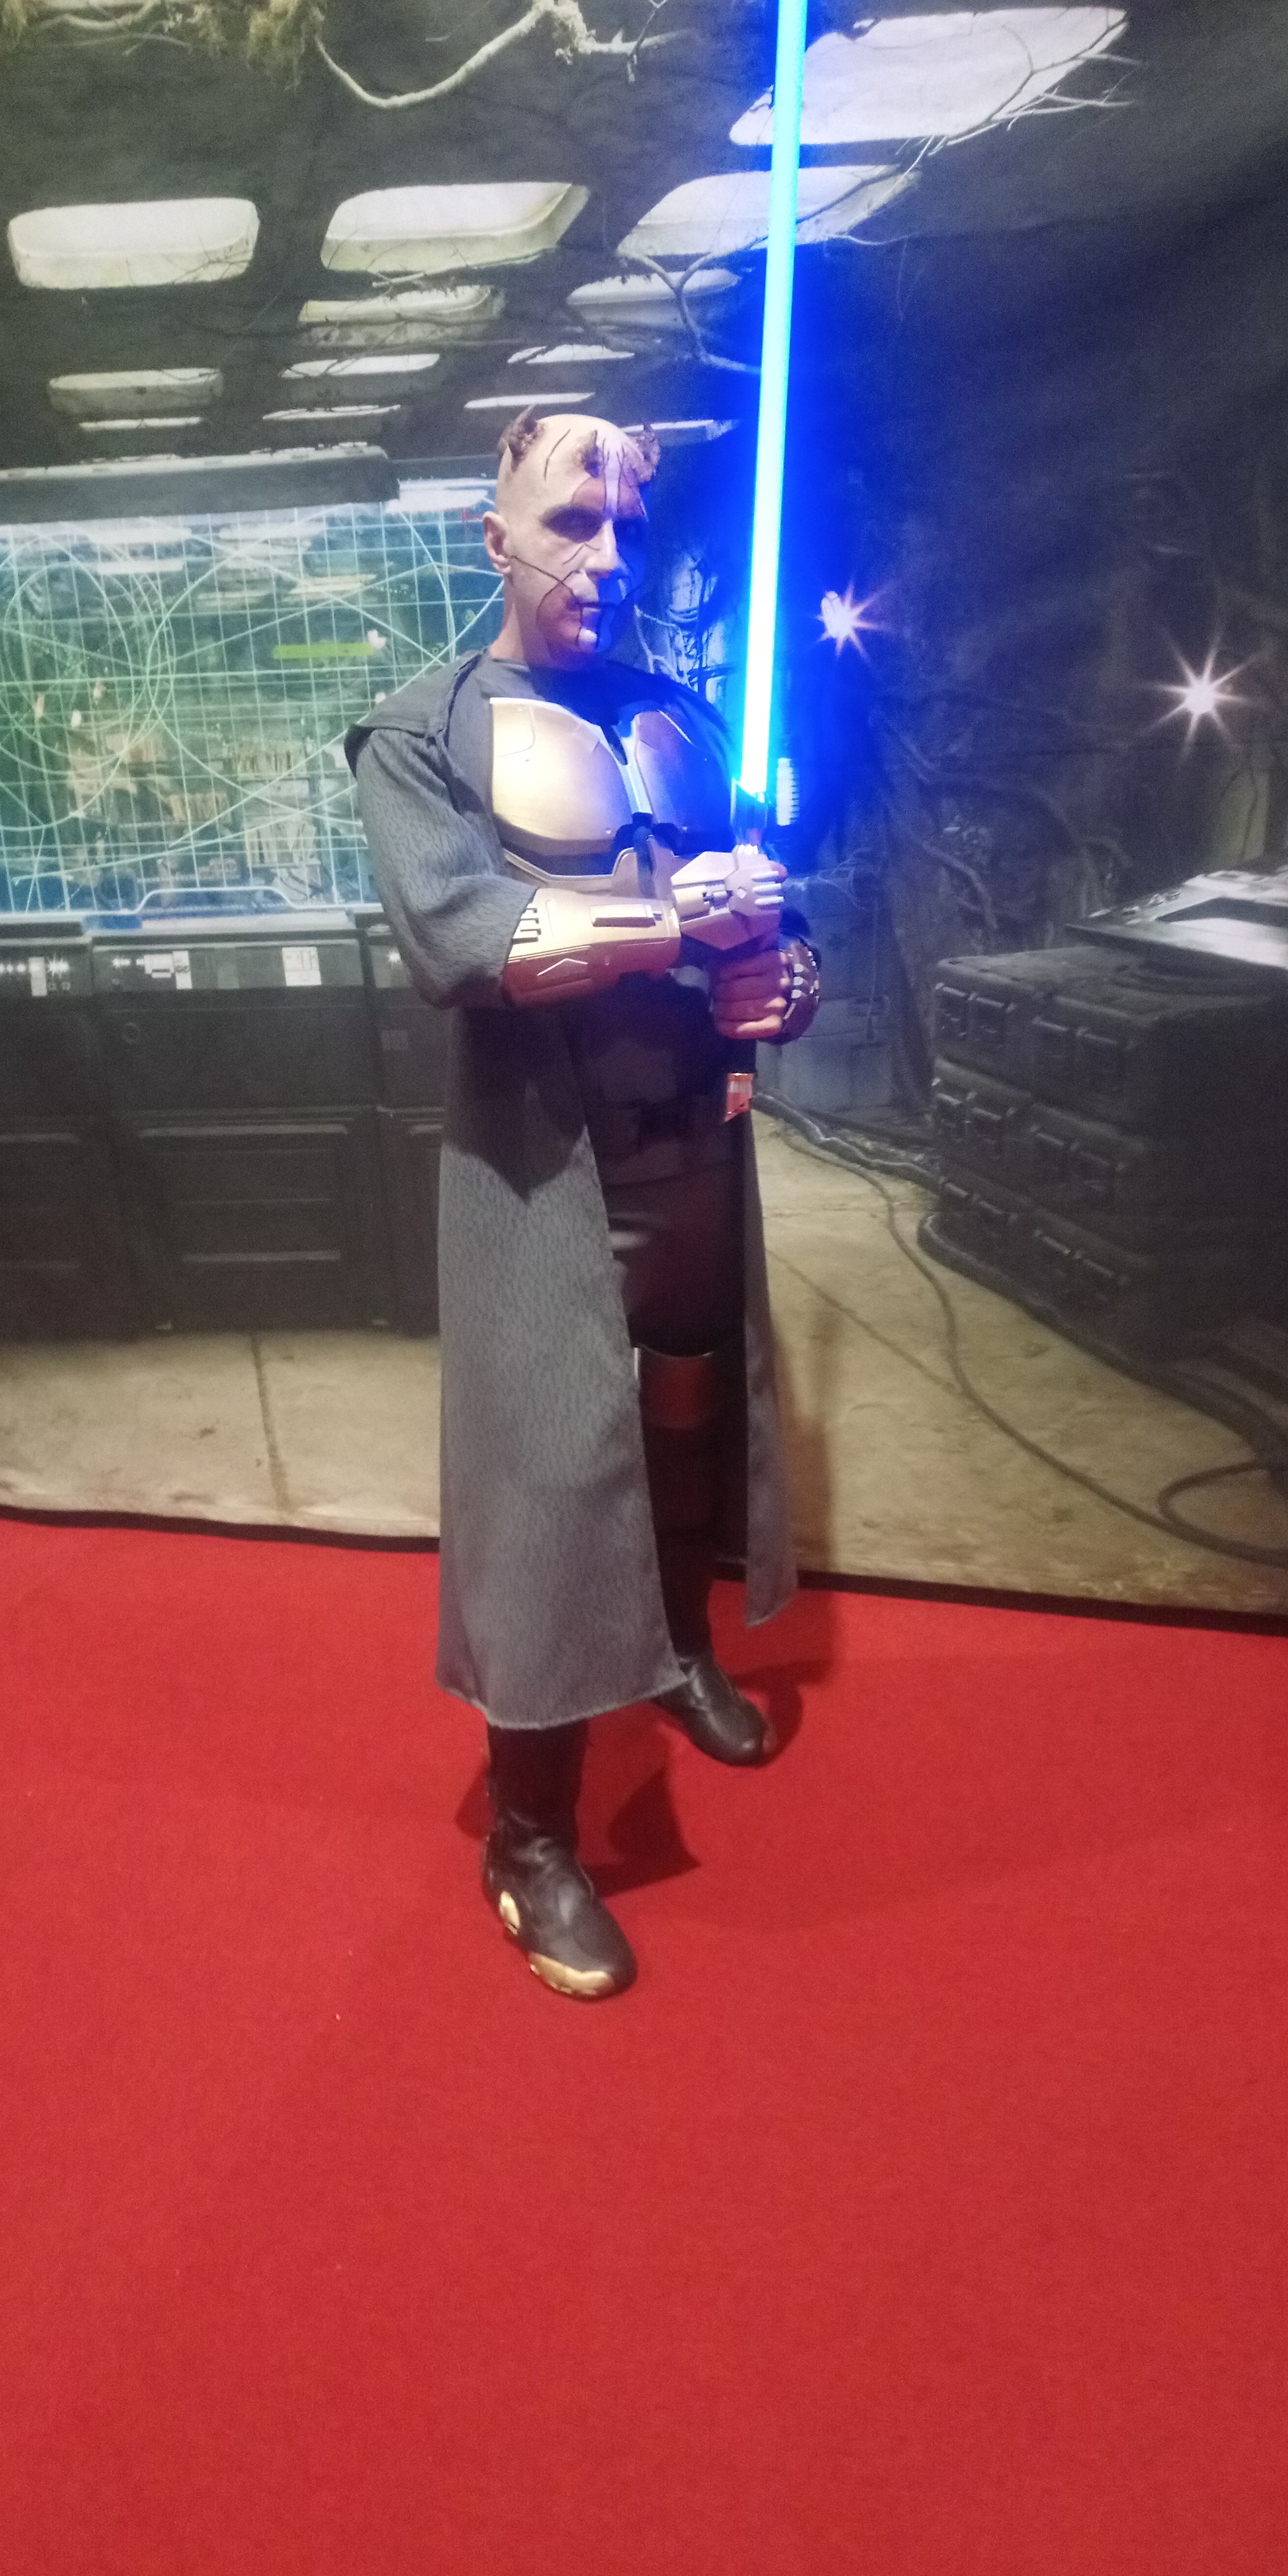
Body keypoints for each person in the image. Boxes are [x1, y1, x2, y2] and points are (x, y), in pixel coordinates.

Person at [346, 410, 820, 2001]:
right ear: (496, 538)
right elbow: (463, 941)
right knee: (544, 1483)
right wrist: (675, 921)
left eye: (628, 524)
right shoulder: (419, 733)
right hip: (544, 1173)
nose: (609, 556)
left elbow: (761, 914)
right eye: (572, 520)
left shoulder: (679, 715)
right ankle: (530, 1837)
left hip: (694, 1149)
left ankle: (678, 1650)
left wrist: (779, 973)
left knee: (688, 1415)